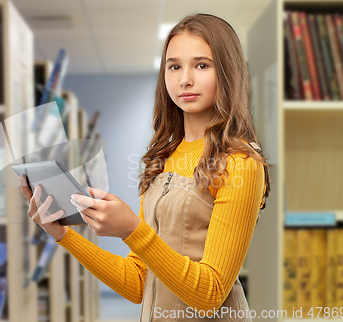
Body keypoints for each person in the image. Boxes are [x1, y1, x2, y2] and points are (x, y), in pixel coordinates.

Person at [19, 13, 271, 322]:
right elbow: (140, 282)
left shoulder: (240, 163)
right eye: (174, 66)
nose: (184, 79)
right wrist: (63, 235)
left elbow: (210, 295)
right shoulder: (162, 158)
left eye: (202, 65)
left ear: (228, 72)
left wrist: (131, 230)